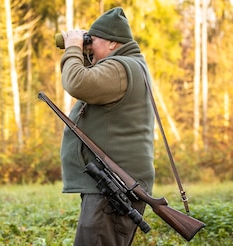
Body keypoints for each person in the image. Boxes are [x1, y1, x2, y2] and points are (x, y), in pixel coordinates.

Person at [59, 7, 155, 246]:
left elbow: (77, 82)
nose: (87, 44)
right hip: (110, 182)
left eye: (93, 40)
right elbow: (86, 78)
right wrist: (83, 50)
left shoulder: (120, 69)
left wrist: (73, 46)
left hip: (114, 186)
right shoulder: (126, 66)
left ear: (112, 43)